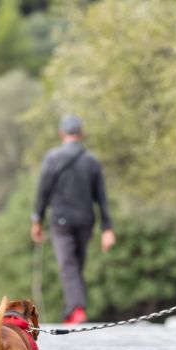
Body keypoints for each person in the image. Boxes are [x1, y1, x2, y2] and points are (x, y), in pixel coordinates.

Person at [31, 114, 116, 324]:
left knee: (68, 265)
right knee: (76, 265)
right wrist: (107, 228)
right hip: (86, 220)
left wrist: (37, 220)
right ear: (82, 134)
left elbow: (42, 191)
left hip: (61, 221)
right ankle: (71, 310)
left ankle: (76, 308)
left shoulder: (52, 158)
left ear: (62, 134)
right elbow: (102, 198)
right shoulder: (92, 161)